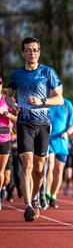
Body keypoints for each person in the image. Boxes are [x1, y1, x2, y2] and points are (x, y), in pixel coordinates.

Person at [5, 37, 63, 221]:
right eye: (28, 50)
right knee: (27, 163)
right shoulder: (16, 75)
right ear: (23, 53)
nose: (32, 53)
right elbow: (8, 96)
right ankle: (28, 205)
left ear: (39, 52)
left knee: (39, 168)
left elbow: (60, 99)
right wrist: (12, 104)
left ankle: (36, 196)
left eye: (35, 50)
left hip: (43, 124)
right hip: (24, 123)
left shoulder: (48, 72)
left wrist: (42, 101)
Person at [46, 97, 73, 208]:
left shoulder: (67, 104)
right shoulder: (46, 102)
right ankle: (46, 193)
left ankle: (53, 196)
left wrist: (67, 133)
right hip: (48, 141)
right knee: (50, 166)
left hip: (62, 143)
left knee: (59, 170)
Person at [0, 77, 17, 210]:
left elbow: (17, 117)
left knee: (3, 172)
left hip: (5, 137)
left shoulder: (8, 100)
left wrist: (5, 113)